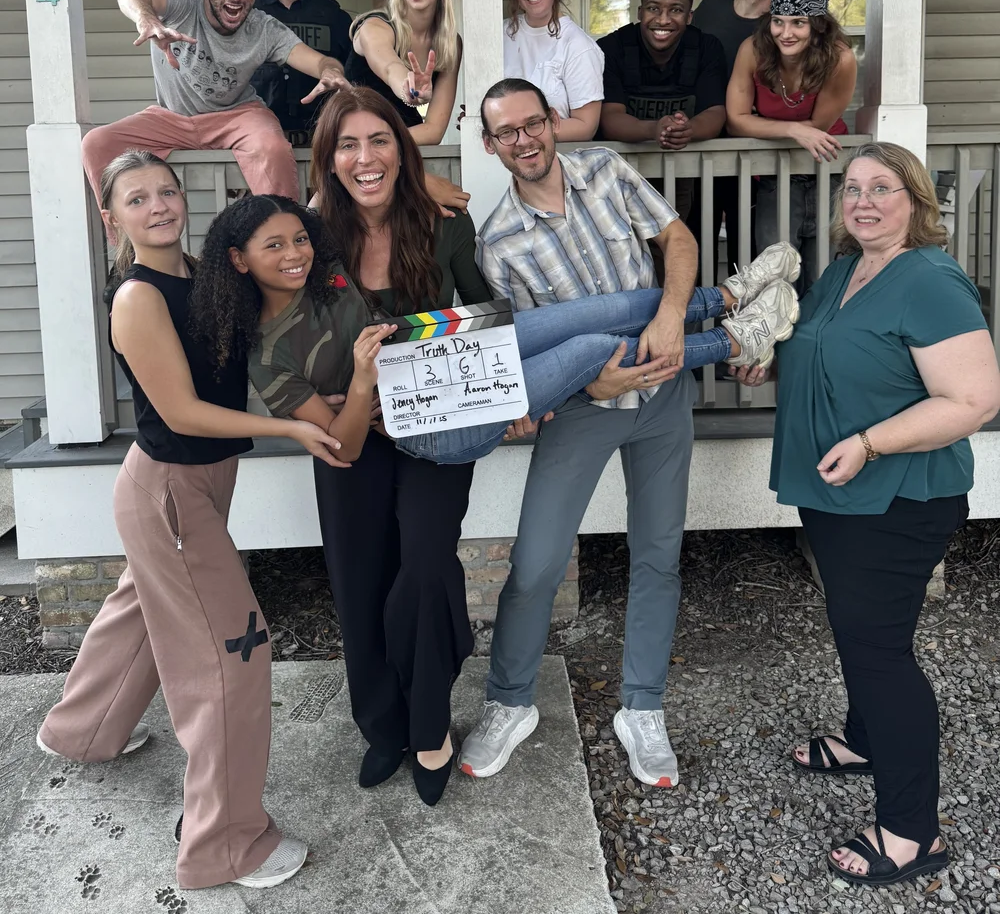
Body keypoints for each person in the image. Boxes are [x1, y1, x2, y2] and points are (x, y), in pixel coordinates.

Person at [191, 92, 798, 807]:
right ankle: (383, 727)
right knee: (360, 581)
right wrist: (365, 383)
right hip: (374, 431)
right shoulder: (311, 246)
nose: (365, 157)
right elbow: (333, 407)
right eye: (348, 145)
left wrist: (514, 395)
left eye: (380, 141)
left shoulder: (428, 224)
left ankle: (726, 304)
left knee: (432, 559)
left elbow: (488, 312)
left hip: (457, 390)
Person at [458, 78, 801, 788]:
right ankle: (510, 701)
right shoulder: (497, 245)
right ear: (490, 145)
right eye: (507, 132)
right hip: (585, 409)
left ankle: (642, 707)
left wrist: (673, 315)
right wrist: (594, 386)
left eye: (533, 123)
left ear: (552, 122)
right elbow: (540, 358)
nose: (525, 140)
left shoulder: (605, 169)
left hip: (664, 392)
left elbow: (676, 238)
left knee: (657, 556)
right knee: (536, 564)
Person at [35, 150, 345, 892]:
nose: (159, 206)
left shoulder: (206, 274)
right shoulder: (138, 297)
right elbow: (181, 411)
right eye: (137, 198)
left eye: (167, 191)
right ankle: (225, 845)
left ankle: (80, 732)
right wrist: (292, 427)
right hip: (170, 488)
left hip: (195, 484)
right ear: (112, 219)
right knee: (232, 655)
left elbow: (285, 251)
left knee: (143, 609)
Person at [731, 142, 1000, 888]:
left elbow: (974, 400)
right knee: (859, 628)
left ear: (915, 200)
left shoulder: (931, 280)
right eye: (852, 188)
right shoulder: (844, 270)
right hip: (836, 493)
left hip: (899, 496)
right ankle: (864, 739)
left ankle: (913, 831)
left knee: (879, 650)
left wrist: (870, 442)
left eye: (883, 187)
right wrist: (766, 361)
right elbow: (824, 351)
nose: (864, 201)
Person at [80, 0, 351, 202]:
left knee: (273, 148)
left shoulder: (264, 28)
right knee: (96, 144)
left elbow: (319, 61)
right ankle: (120, 229)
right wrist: (146, 18)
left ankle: (284, 226)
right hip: (173, 117)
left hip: (238, 116)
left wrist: (330, 71)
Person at [726, 0, 857, 292]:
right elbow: (736, 120)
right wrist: (795, 130)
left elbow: (819, 128)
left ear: (817, 26)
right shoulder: (753, 50)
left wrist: (784, 128)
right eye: (778, 21)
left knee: (825, 273)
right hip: (774, 170)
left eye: (798, 22)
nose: (786, 33)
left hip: (828, 168)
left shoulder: (840, 58)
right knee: (774, 271)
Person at [689, 0, 809, 277]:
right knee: (696, 237)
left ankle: (744, 310)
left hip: (753, 145)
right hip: (701, 141)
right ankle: (696, 308)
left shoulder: (783, 24)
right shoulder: (712, 7)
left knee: (748, 245)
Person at [345, 0, 468, 212]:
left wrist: (382, 147)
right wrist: (409, 88)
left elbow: (434, 130)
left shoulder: (450, 44)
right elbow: (390, 67)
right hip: (350, 148)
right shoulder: (375, 26)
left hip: (394, 155)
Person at [597, 0, 727, 220]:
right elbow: (609, 118)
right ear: (639, 12)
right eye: (653, 8)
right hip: (618, 176)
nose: (663, 19)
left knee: (679, 238)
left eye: (675, 10)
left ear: (689, 17)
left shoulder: (706, 48)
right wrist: (655, 129)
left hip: (685, 175)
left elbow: (715, 112)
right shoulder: (612, 48)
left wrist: (687, 130)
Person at [249, 0, 352, 146]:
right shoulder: (248, 11)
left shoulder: (335, 17)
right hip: (258, 145)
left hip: (324, 145)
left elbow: (354, 81)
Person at [503, 0, 604, 142]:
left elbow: (585, 126)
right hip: (497, 157)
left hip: (553, 158)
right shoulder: (499, 34)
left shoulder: (578, 46)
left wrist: (521, 133)